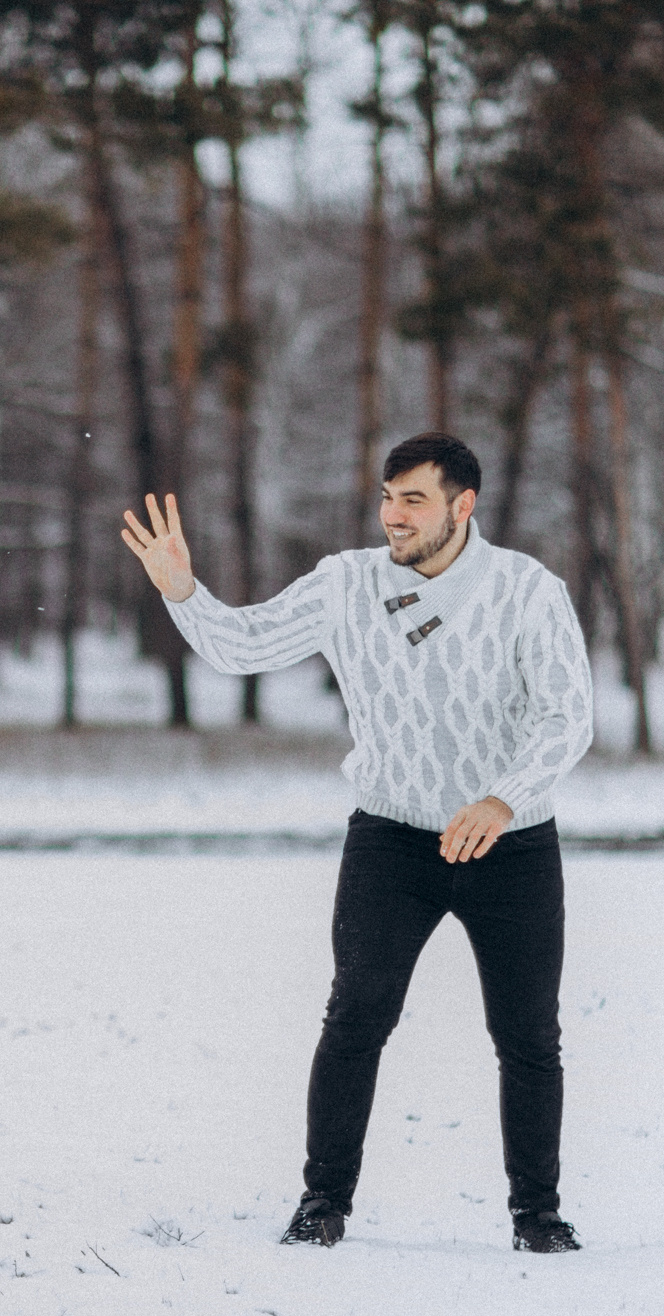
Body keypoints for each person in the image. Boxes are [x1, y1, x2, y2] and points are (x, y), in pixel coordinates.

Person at [119, 433, 593, 1253]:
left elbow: (567, 716)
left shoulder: (527, 591)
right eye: (386, 497)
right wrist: (183, 591)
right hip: (391, 842)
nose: (393, 516)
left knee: (528, 1038)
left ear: (463, 506)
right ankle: (322, 1203)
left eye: (413, 499)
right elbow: (243, 645)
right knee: (355, 1018)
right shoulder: (347, 584)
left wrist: (503, 799)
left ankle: (538, 1218)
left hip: (510, 845)